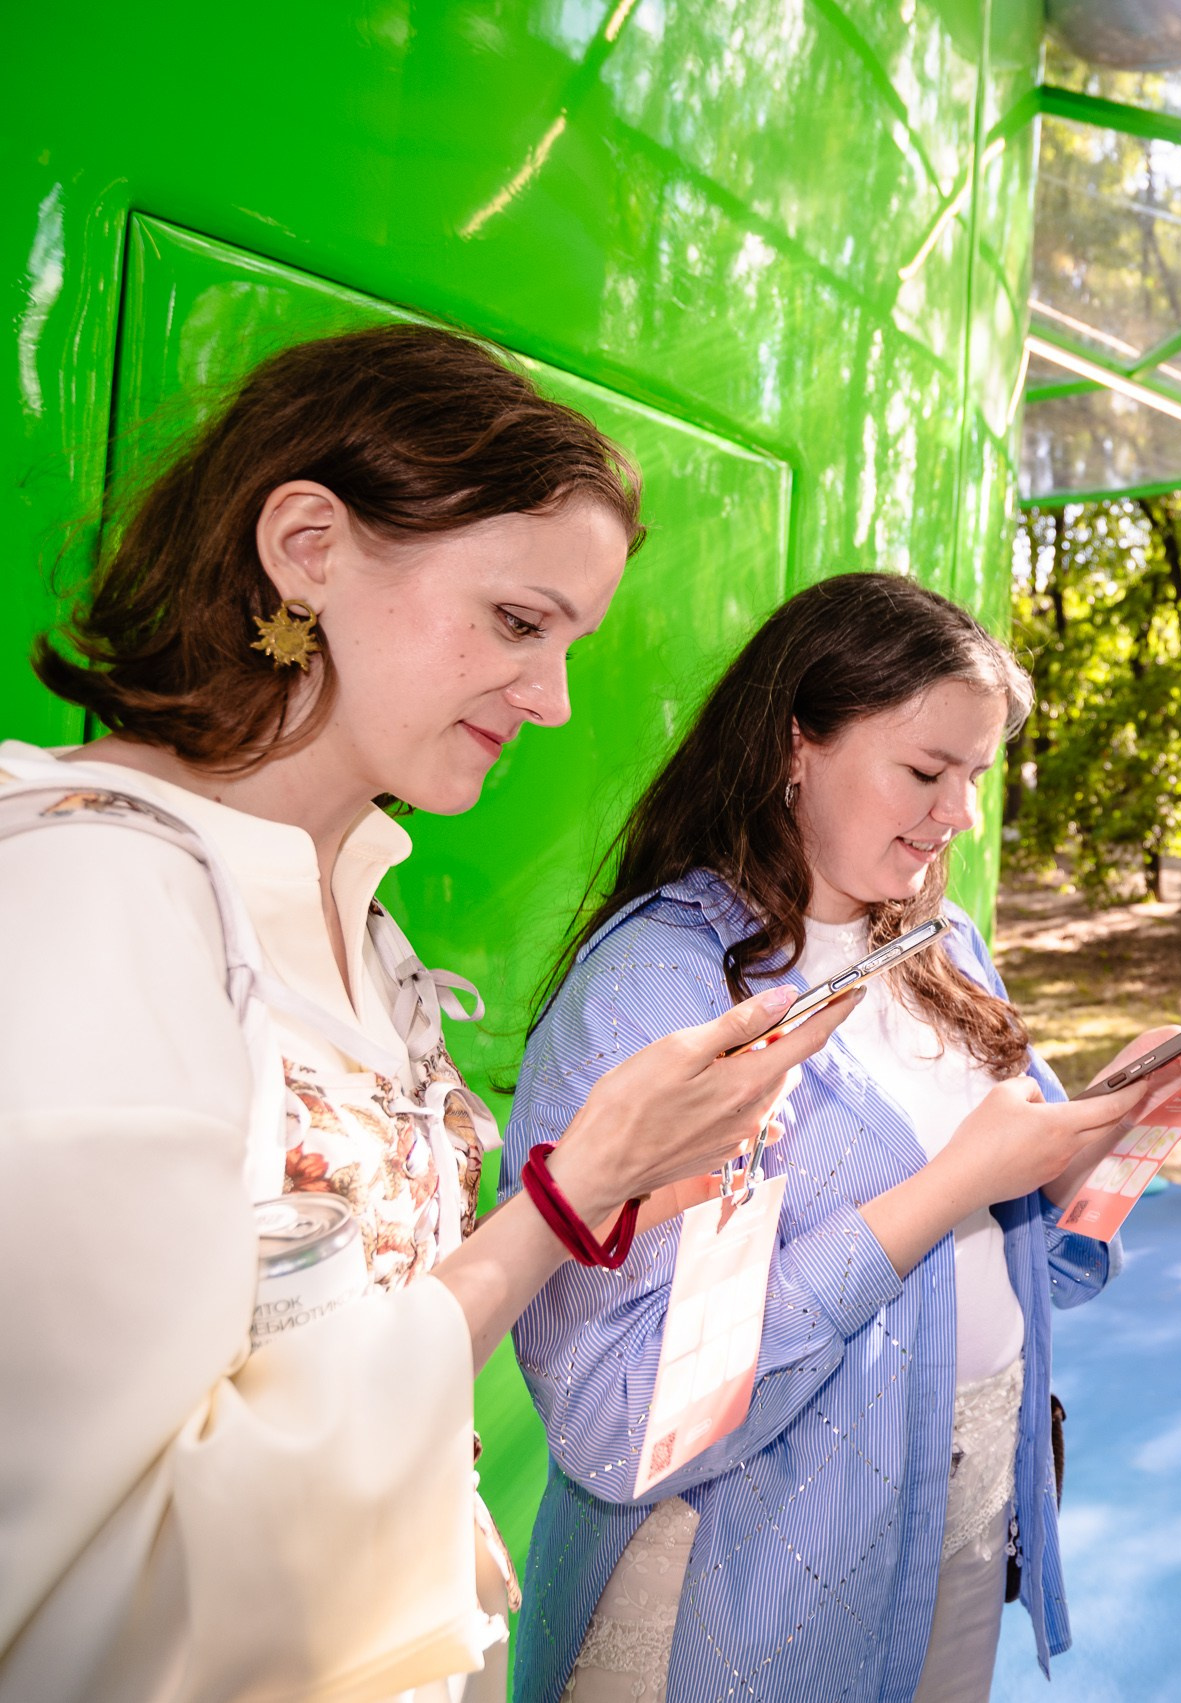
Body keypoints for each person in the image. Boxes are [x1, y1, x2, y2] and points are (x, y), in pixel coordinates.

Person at [0, 324, 860, 1702]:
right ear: (308, 546)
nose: (555, 696)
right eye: (520, 620)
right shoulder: (92, 897)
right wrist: (570, 1195)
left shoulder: (357, 908)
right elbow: (83, 1590)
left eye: (568, 640)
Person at [506, 573, 1181, 1703]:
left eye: (976, 777)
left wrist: (1117, 1121)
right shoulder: (660, 985)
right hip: (737, 1569)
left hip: (954, 1510)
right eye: (926, 771)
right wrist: (945, 1190)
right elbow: (625, 1409)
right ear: (797, 741)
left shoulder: (940, 940)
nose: (959, 816)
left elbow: (1020, 1232)